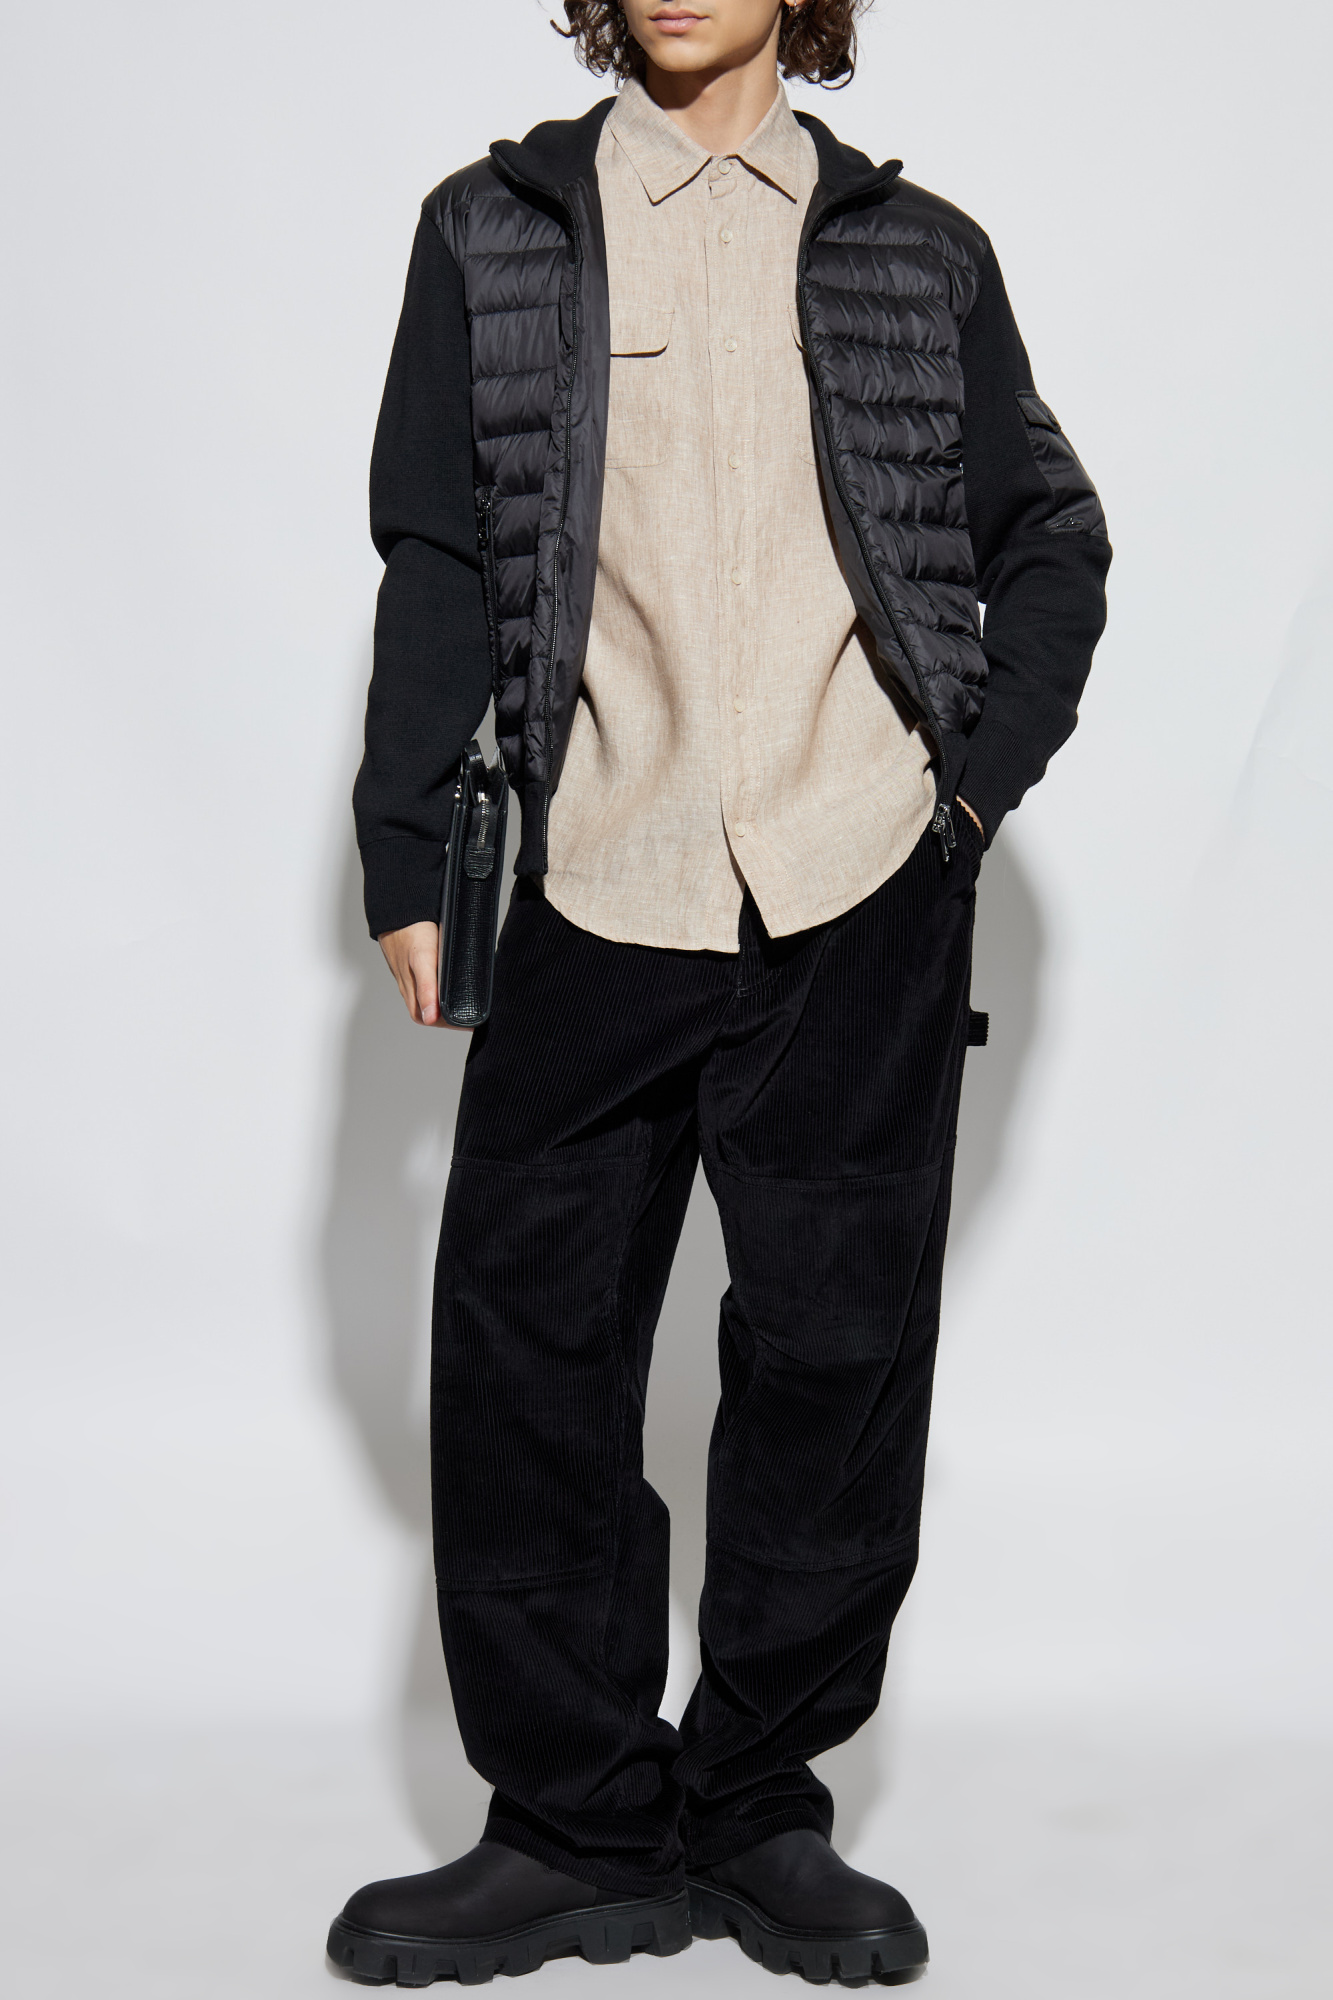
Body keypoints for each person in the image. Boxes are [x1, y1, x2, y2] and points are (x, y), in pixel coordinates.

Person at [330, 0, 1110, 1985]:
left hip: (856, 884)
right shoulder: (492, 230)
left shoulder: (916, 252)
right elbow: (437, 549)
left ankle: (758, 1807)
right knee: (527, 1365)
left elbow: (1046, 532)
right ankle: (574, 1827)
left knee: (834, 1368)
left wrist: (959, 796)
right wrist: (407, 847)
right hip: (596, 869)